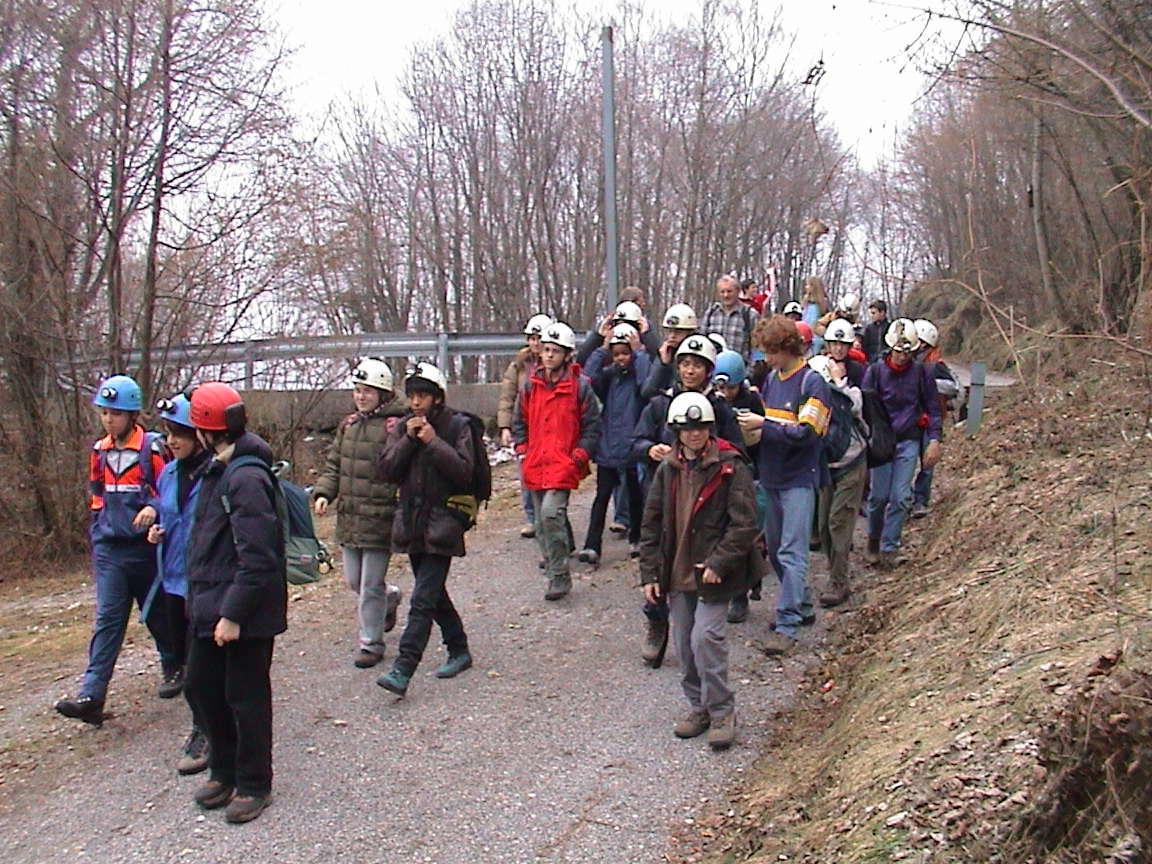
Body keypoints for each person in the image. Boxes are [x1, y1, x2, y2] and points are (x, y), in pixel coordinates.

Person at [183, 382, 286, 824]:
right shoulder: (216, 469)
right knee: (201, 685)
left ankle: (253, 783)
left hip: (244, 611)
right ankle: (223, 771)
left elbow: (258, 557)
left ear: (207, 431)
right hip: (211, 603)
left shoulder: (244, 477)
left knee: (246, 697)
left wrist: (233, 614)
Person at [638, 392, 765, 751]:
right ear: (676, 431)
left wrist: (719, 562)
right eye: (687, 428)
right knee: (684, 644)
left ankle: (723, 710)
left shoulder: (730, 466)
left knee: (705, 638)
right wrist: (649, 574)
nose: (694, 434)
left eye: (701, 427)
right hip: (677, 573)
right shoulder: (668, 469)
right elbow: (651, 523)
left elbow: (744, 523)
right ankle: (699, 706)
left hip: (714, 574)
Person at [55, 375, 179, 727]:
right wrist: (99, 533)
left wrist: (154, 508)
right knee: (108, 619)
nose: (109, 419)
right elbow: (97, 496)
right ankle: (92, 695)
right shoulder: (100, 451)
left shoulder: (152, 449)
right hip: (111, 548)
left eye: (116, 413)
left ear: (132, 414)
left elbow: (170, 491)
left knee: (157, 614)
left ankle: (175, 665)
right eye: (105, 413)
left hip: (146, 549)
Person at [631, 334, 745, 666]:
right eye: (685, 364)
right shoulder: (660, 404)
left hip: (709, 497)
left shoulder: (720, 408)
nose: (690, 371)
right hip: (666, 492)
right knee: (660, 557)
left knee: (701, 557)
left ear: (709, 370)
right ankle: (656, 621)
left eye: (697, 365)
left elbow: (738, 451)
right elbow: (636, 440)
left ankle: (718, 609)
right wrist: (649, 449)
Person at [377, 362, 476, 696]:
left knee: (422, 599)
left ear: (438, 397)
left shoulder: (457, 426)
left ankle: (403, 668)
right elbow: (386, 470)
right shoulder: (402, 427)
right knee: (432, 593)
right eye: (412, 396)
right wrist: (408, 440)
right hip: (412, 523)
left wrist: (433, 442)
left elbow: (464, 473)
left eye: (423, 396)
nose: (416, 402)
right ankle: (459, 648)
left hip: (444, 523)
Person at [741, 317, 831, 656]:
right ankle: (801, 603)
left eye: (771, 352)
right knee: (777, 548)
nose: (767, 359)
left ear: (787, 349)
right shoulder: (771, 380)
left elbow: (808, 433)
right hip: (771, 476)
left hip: (799, 479)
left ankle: (787, 623)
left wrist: (764, 425)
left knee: (793, 553)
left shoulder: (812, 383)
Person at [312, 358, 407, 669]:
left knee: (369, 586)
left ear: (382, 393)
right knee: (355, 581)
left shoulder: (395, 427)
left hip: (380, 518)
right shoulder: (349, 426)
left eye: (368, 391)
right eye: (358, 390)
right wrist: (324, 493)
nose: (361, 396)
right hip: (351, 517)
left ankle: (371, 643)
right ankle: (390, 597)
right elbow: (334, 465)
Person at [143, 394, 213, 774]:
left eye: (180, 433)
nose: (172, 441)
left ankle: (207, 729)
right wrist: (157, 530)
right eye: (168, 433)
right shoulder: (168, 474)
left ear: (198, 434)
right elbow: (168, 512)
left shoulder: (216, 473)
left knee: (203, 666)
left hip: (205, 583)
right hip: (172, 581)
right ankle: (203, 721)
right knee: (185, 662)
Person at [512, 322, 602, 601]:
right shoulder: (530, 386)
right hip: (536, 461)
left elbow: (592, 426)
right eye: (546, 350)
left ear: (567, 355)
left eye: (556, 351)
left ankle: (560, 575)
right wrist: (522, 448)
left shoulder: (579, 388)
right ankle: (554, 567)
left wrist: (580, 455)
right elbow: (519, 420)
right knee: (541, 523)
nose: (549, 355)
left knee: (551, 513)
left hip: (563, 462)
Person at [862, 319, 942, 570]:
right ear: (889, 349)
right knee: (878, 497)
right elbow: (863, 407)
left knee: (900, 497)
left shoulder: (921, 373)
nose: (901, 358)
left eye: (907, 353)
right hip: (881, 442)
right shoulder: (875, 373)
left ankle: (890, 548)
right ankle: (873, 539)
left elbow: (933, 408)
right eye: (897, 352)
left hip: (908, 439)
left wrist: (934, 439)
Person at [577, 323, 649, 565]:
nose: (621, 358)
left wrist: (639, 352)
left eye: (625, 353)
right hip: (608, 447)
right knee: (601, 497)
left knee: (635, 497)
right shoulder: (608, 377)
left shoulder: (638, 376)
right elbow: (587, 378)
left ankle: (637, 538)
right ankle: (592, 545)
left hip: (631, 447)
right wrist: (601, 348)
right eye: (616, 354)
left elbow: (646, 384)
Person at [711, 350, 766, 624]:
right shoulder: (714, 404)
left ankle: (743, 591)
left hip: (749, 471)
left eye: (730, 387)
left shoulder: (752, 400)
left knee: (745, 531)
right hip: (720, 472)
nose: (726, 393)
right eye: (721, 387)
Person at [808, 356, 867, 608]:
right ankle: (835, 572)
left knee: (838, 522)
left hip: (851, 463)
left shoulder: (847, 395)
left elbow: (854, 404)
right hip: (826, 468)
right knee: (823, 525)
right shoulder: (808, 403)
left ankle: (839, 582)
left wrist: (838, 382)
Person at [498, 314, 552, 538]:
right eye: (531, 338)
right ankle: (531, 518)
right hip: (525, 427)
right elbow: (507, 396)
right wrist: (505, 426)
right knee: (526, 473)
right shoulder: (519, 365)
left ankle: (549, 516)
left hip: (548, 427)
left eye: (538, 338)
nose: (535, 343)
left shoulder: (556, 365)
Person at [911, 318, 958, 519]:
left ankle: (920, 500)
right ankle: (909, 498)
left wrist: (926, 384)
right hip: (912, 417)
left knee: (927, 463)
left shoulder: (935, 364)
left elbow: (952, 387)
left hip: (929, 418)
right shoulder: (909, 360)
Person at [642, 302, 700, 401]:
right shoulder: (665, 353)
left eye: (678, 331)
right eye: (670, 331)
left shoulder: (699, 354)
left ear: (690, 332)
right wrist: (663, 365)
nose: (672, 336)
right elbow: (647, 392)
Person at [701, 274, 760, 359]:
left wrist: (752, 366)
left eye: (729, 291)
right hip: (713, 365)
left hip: (741, 365)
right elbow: (703, 342)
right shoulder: (711, 313)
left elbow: (758, 348)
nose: (726, 295)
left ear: (738, 291)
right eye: (722, 292)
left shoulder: (750, 315)